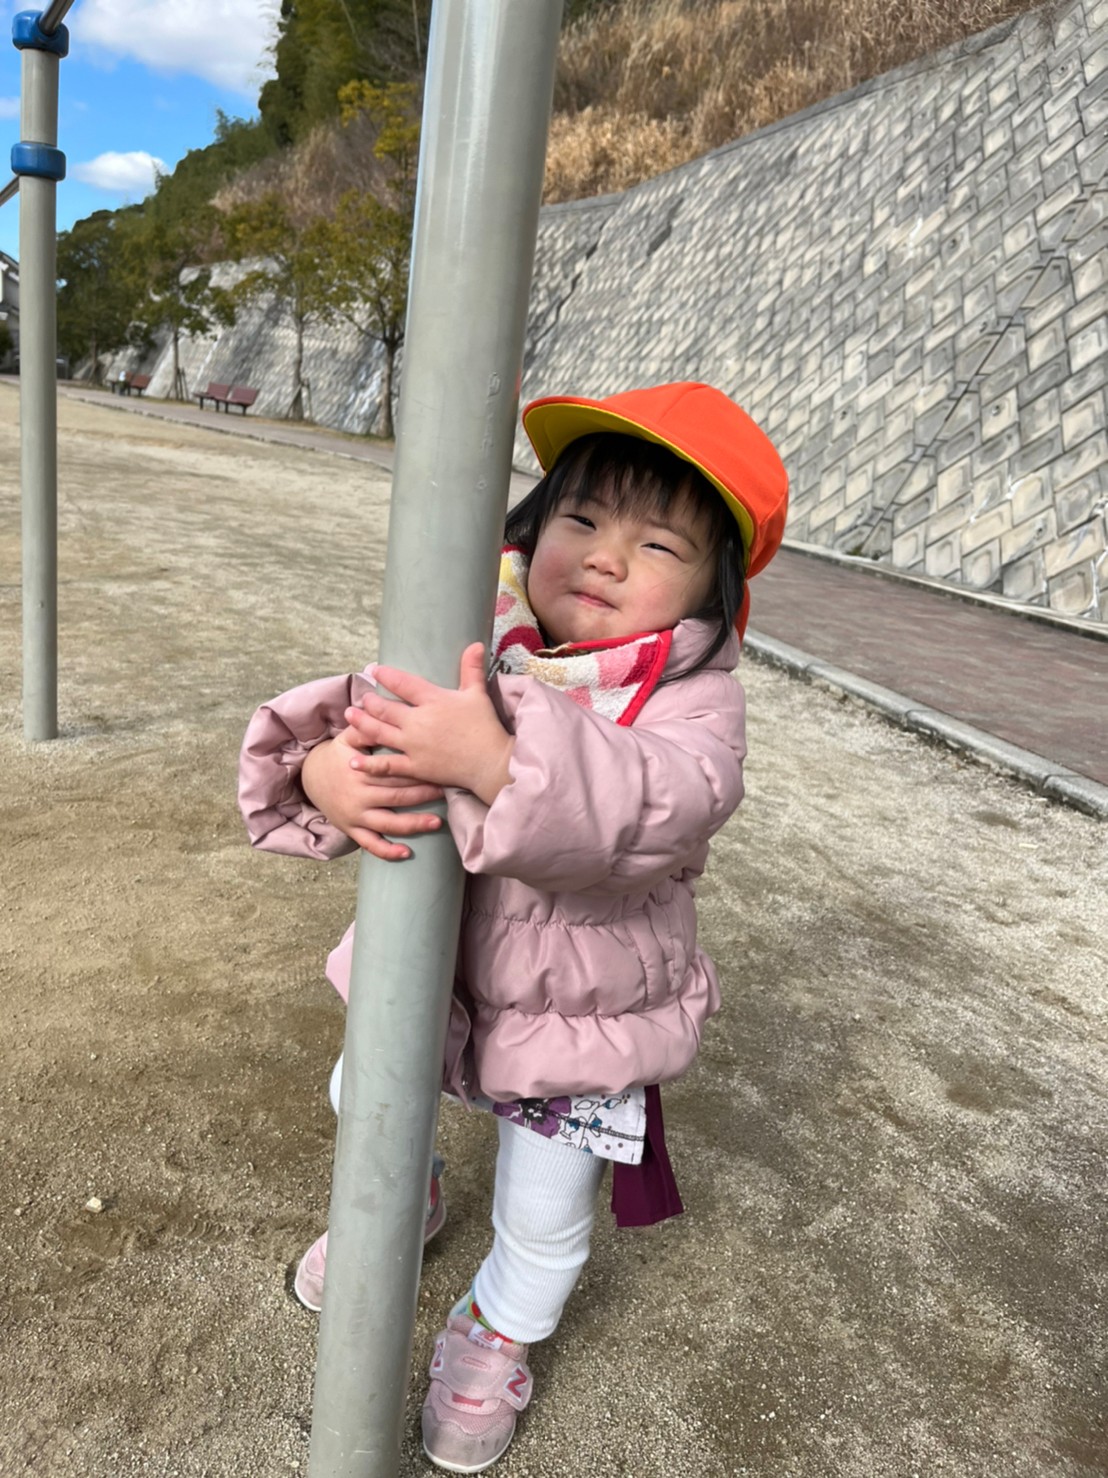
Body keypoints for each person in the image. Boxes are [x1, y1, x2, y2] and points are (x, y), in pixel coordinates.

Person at [238, 380, 788, 1472]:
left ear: (713, 593)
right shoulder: (482, 636)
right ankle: (404, 1200)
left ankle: (497, 1332)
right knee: (363, 1103)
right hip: (431, 974)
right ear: (532, 528)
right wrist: (325, 770)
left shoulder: (692, 700)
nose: (605, 557)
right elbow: (361, 706)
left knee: (543, 1213)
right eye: (580, 518)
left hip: (581, 1023)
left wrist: (496, 759)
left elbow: (659, 803)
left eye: (657, 543)